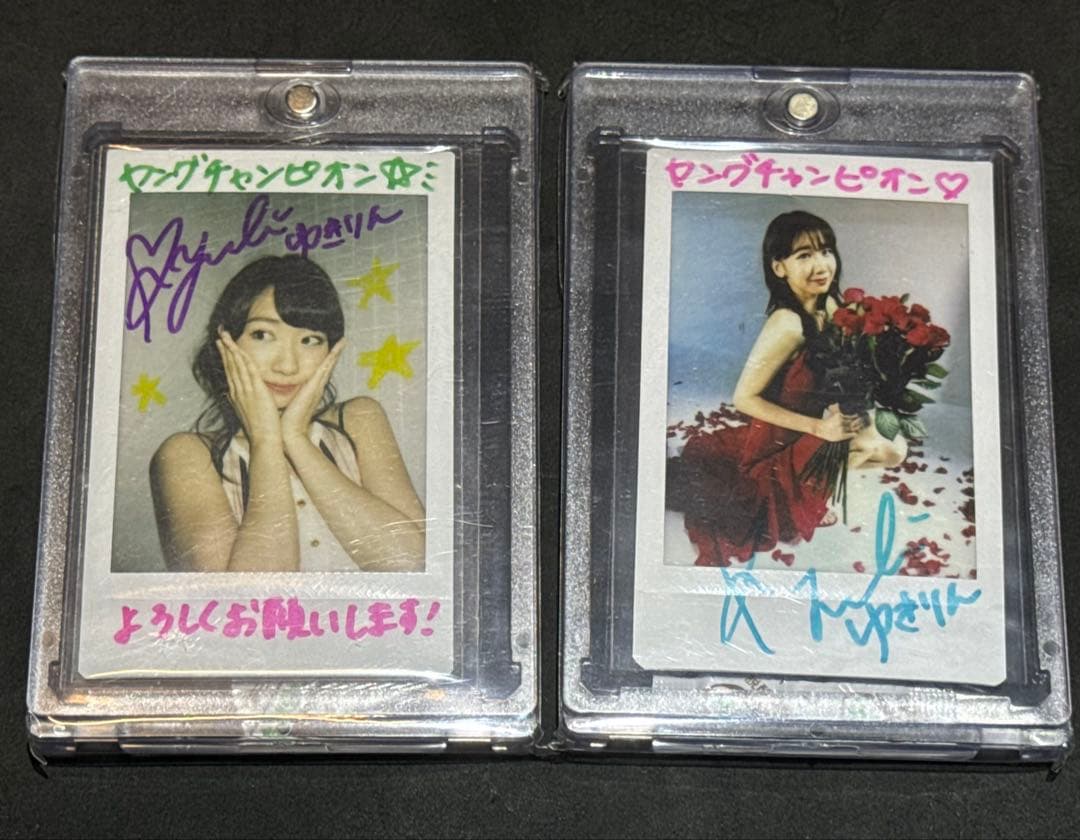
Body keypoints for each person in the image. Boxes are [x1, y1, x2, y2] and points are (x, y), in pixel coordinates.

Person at [150, 255, 425, 573]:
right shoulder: (186, 454)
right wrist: (266, 441)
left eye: (310, 340)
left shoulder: (359, 419)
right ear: (225, 342)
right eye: (262, 335)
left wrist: (295, 438)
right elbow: (240, 598)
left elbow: (412, 564)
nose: (287, 365)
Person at [666, 211, 907, 567]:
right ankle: (806, 496)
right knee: (878, 446)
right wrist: (819, 428)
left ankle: (809, 491)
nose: (821, 265)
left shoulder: (832, 306)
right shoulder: (787, 323)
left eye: (825, 251)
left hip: (813, 427)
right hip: (780, 438)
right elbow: (743, 398)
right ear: (779, 268)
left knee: (895, 448)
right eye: (804, 255)